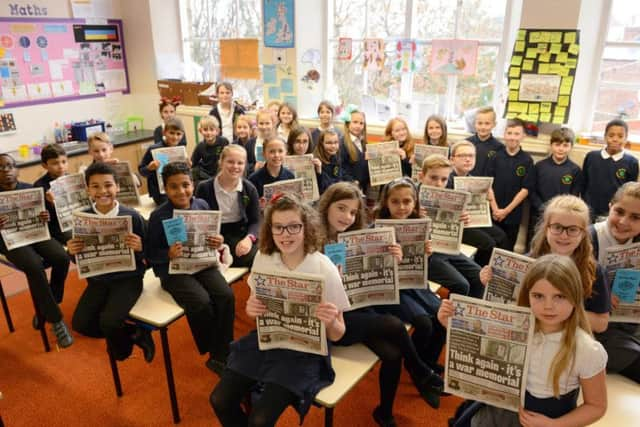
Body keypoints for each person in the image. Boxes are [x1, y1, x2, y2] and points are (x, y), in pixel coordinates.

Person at [209, 193, 350, 426]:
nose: (286, 235)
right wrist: (251, 309)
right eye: (278, 227)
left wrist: (330, 322)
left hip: (305, 351)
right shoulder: (264, 257)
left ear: (306, 227)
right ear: (270, 230)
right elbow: (258, 316)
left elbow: (338, 333)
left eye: (294, 226)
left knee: (260, 420)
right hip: (269, 342)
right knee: (219, 400)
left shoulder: (323, 267)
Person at [319, 182, 445, 423]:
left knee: (393, 353)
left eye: (353, 212)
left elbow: (378, 282)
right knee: (394, 325)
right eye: (341, 208)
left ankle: (384, 412)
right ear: (327, 207)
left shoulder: (358, 235)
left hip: (360, 307)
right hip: (336, 319)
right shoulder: (314, 239)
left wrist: (392, 260)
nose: (347, 216)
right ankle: (420, 370)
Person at [442, 254, 607, 426]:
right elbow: (478, 356)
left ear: (575, 296)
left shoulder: (587, 349)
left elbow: (596, 406)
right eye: (538, 296)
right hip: (498, 410)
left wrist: (554, 425)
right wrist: (451, 325)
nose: (548, 306)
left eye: (560, 296)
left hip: (549, 420)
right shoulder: (513, 325)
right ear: (527, 295)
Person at [146, 161, 234, 374]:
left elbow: (214, 235)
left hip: (202, 263)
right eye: (173, 187)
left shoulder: (202, 205)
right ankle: (214, 351)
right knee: (201, 301)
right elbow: (148, 253)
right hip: (174, 270)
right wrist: (166, 254)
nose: (181, 191)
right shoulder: (158, 216)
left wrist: (217, 240)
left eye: (185, 185)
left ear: (192, 185)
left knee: (226, 295)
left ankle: (224, 349)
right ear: (165, 189)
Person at [482, 195, 611, 334]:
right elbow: (504, 307)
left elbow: (601, 323)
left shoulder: (593, 270)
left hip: (569, 339)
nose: (563, 236)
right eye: (557, 227)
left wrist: (561, 311)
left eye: (572, 229)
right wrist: (491, 281)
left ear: (583, 233)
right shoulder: (526, 263)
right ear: (546, 229)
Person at [68, 162, 154, 362]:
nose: (102, 191)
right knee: (81, 324)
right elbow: (80, 258)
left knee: (109, 321)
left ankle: (121, 351)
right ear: (88, 190)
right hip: (99, 279)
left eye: (108, 185)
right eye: (95, 186)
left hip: (128, 279)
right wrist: (72, 253)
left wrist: (141, 249)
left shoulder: (133, 216)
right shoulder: (82, 218)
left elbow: (151, 257)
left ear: (117, 187)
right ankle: (134, 333)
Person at [373, 178, 451, 371]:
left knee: (443, 317)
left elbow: (424, 266)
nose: (401, 207)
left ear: (415, 202)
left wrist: (427, 254)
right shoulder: (376, 229)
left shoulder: (420, 226)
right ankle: (415, 364)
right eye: (395, 202)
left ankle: (428, 361)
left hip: (415, 284)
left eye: (407, 201)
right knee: (424, 324)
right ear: (386, 203)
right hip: (394, 290)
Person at [0, 153, 72, 348]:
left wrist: (44, 215)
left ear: (17, 170)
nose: (6, 171)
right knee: (34, 266)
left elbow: (44, 216)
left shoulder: (29, 189)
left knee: (61, 257)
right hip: (10, 241)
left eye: (10, 166)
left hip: (36, 234)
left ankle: (47, 304)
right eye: (1, 168)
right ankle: (56, 321)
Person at [589, 182, 640, 383]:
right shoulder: (587, 237)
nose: (624, 222)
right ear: (610, 206)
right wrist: (601, 295)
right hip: (596, 326)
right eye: (619, 211)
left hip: (627, 322)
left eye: (636, 218)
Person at [419, 155, 485, 298]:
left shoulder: (449, 196)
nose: (438, 184)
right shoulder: (410, 197)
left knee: (480, 277)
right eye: (433, 178)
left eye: (444, 179)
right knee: (461, 285)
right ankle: (449, 318)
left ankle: (467, 315)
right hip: (426, 254)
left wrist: (463, 220)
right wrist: (414, 214)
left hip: (446, 248)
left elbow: (455, 227)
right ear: (421, 176)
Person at [195, 145, 260, 268]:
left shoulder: (249, 189)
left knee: (260, 255)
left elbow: (255, 221)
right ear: (221, 162)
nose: (235, 166)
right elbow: (198, 219)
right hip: (214, 236)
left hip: (240, 233)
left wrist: (249, 239)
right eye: (230, 162)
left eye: (240, 163)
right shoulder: (204, 188)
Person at [446, 141, 509, 267]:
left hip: (473, 221)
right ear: (452, 160)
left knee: (501, 236)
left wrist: (486, 199)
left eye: (471, 156)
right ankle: (479, 273)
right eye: (463, 156)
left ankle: (498, 272)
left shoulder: (473, 179)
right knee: (488, 243)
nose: (468, 159)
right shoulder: (446, 180)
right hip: (457, 225)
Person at [487, 118, 535, 251]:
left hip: (513, 214)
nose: (512, 137)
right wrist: (495, 208)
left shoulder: (527, 160)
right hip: (493, 211)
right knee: (490, 246)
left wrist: (506, 211)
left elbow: (525, 190)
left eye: (516, 134)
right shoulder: (495, 157)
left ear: (523, 136)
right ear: (504, 134)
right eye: (509, 133)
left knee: (507, 247)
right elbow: (488, 184)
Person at [581, 118, 639, 220]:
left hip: (614, 213)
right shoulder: (591, 157)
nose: (615, 139)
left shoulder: (632, 162)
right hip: (588, 210)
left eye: (620, 136)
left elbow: (630, 192)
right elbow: (583, 183)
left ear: (626, 138)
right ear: (605, 136)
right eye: (611, 135)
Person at [530, 127, 582, 235]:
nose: (561, 149)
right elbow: (532, 191)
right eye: (557, 145)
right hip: (539, 215)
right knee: (535, 245)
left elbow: (573, 196)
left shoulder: (575, 170)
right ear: (551, 145)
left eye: (565, 145)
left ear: (571, 147)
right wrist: (543, 209)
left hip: (562, 216)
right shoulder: (539, 166)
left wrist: (560, 211)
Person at [139, 117, 187, 205]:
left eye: (178, 134)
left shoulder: (181, 149)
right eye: (171, 133)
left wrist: (188, 166)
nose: (175, 137)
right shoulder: (154, 149)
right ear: (164, 132)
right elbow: (142, 171)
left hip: (177, 188)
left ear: (182, 135)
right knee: (171, 205)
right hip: (160, 192)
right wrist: (150, 168)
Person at [33, 143, 71, 245]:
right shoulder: (40, 186)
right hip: (56, 227)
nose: (61, 166)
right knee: (75, 238)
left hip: (74, 221)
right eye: (55, 163)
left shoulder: (70, 178)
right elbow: (44, 218)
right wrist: (52, 203)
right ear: (45, 165)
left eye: (64, 162)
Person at [465, 107, 503, 177]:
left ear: (494, 124)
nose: (483, 127)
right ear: (474, 124)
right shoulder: (465, 143)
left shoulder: (500, 147)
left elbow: (499, 171)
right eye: (480, 123)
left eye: (487, 123)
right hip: (466, 183)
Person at [191, 115, 230, 182]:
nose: (209, 133)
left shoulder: (223, 142)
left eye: (212, 129)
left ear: (217, 131)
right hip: (205, 174)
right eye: (205, 130)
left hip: (220, 172)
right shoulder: (200, 146)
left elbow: (229, 157)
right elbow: (193, 163)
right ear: (200, 131)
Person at [341, 109, 370, 193]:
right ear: (348, 123)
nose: (358, 126)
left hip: (362, 186)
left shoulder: (363, 142)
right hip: (349, 187)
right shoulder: (343, 143)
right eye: (355, 122)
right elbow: (341, 168)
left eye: (361, 123)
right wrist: (352, 181)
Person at [314, 130, 343, 194]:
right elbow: (322, 187)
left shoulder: (335, 158)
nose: (333, 146)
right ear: (321, 143)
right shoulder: (316, 161)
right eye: (329, 143)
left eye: (336, 142)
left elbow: (338, 178)